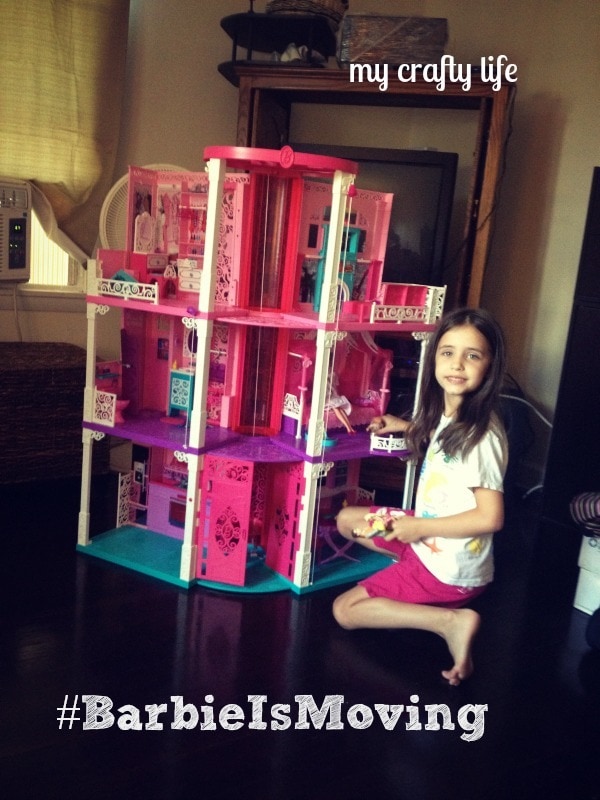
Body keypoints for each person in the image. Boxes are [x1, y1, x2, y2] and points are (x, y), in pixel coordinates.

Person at [333, 307, 509, 686]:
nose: (457, 364)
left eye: (472, 355)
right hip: (427, 537)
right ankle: (414, 574)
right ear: (435, 359)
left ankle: (449, 621)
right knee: (348, 521)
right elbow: (444, 444)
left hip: (448, 569)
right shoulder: (455, 414)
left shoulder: (482, 436)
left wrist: (418, 528)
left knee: (344, 611)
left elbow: (491, 517)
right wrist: (404, 426)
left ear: (490, 366)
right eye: (448, 352)